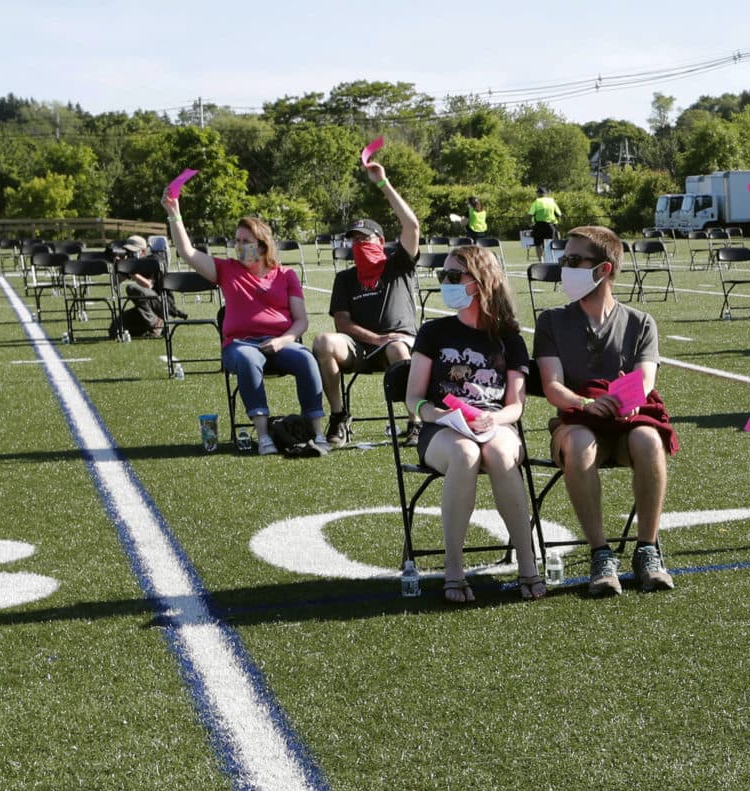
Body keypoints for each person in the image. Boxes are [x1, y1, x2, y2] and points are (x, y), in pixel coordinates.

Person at [533, 225, 674, 595]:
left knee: (648, 438)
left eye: (574, 260)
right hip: (577, 422)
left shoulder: (641, 322)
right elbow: (552, 386)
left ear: (604, 269)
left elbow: (645, 381)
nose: (565, 267)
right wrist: (585, 403)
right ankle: (600, 554)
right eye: (564, 260)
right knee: (580, 443)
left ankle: (647, 549)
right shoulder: (551, 321)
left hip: (627, 422)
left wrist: (627, 401)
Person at [405, 246, 542, 604]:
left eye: (453, 277)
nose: (444, 284)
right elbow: (413, 398)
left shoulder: (509, 338)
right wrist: (433, 414)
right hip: (443, 429)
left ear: (480, 283)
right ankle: (454, 568)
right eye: (443, 276)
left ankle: (528, 565)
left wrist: (492, 419)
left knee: (497, 452)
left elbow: (515, 406)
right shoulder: (434, 332)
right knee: (466, 454)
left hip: (496, 424)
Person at [163, 195, 320, 454]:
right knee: (248, 358)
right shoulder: (227, 269)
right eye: (236, 241)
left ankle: (316, 432)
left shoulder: (286, 274)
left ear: (261, 246)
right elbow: (187, 253)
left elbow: (301, 320)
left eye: (245, 241)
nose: (238, 246)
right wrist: (174, 213)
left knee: (307, 359)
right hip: (240, 345)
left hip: (280, 343)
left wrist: (283, 340)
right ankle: (263, 435)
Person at [313, 158, 420, 445]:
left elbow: (412, 226)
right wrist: (376, 338)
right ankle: (338, 416)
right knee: (323, 341)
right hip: (363, 346)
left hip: (399, 343)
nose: (358, 244)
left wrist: (383, 184)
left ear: (381, 240)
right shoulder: (346, 278)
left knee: (397, 346)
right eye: (353, 240)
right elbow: (342, 322)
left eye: (365, 238)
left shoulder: (397, 265)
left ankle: (416, 422)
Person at [528, 187, 562, 262]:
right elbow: (559, 214)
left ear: (539, 194)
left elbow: (530, 214)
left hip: (538, 226)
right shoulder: (552, 201)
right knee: (549, 244)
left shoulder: (536, 202)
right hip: (550, 226)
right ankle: (549, 259)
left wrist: (530, 223)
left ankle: (541, 260)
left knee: (538, 244)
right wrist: (556, 224)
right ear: (545, 194)